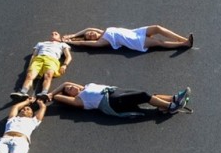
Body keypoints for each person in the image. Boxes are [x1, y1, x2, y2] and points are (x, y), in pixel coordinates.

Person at [48, 81, 190, 117]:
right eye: (69, 90)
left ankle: (174, 98)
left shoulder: (85, 87)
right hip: (112, 102)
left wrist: (55, 90)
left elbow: (65, 83)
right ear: (70, 95)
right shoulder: (79, 100)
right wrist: (52, 95)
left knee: (146, 95)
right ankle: (171, 107)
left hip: (115, 92)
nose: (71, 87)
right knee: (144, 95)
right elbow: (61, 96)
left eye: (71, 86)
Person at [12, 32, 70, 99]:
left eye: (56, 34)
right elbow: (34, 55)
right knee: (30, 75)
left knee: (48, 75)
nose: (53, 34)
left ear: (59, 38)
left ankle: (44, 93)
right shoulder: (41, 43)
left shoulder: (62, 44)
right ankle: (23, 92)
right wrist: (30, 65)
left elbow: (68, 56)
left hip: (52, 59)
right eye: (51, 34)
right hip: (39, 58)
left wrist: (64, 65)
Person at [63, 25, 192, 51]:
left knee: (157, 27)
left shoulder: (103, 31)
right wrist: (73, 42)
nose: (91, 33)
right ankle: (184, 44)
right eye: (89, 36)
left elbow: (87, 28)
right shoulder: (101, 42)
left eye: (90, 33)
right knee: (158, 42)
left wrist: (73, 35)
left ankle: (181, 38)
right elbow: (83, 43)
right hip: (135, 41)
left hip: (136, 32)